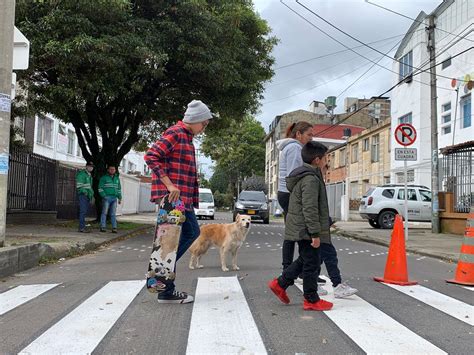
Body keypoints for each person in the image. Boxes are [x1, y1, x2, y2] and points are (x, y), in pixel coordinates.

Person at [144, 99, 212, 304]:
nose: (204, 127)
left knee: (182, 236)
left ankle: (162, 276)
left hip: (183, 200)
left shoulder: (187, 136)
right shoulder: (176, 133)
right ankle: (163, 283)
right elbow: (150, 156)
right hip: (174, 199)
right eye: (204, 123)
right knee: (176, 239)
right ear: (195, 119)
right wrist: (169, 185)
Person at [268, 141, 333, 311]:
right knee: (311, 263)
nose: (328, 161)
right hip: (305, 229)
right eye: (326, 157)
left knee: (307, 259)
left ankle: (281, 283)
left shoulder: (309, 175)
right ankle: (311, 299)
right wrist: (315, 233)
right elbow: (309, 207)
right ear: (317, 160)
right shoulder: (310, 179)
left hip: (301, 227)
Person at [276, 121, 314, 271]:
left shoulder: (292, 147)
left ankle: (291, 269)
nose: (311, 138)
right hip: (290, 194)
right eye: (309, 134)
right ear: (299, 134)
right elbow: (294, 175)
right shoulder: (294, 148)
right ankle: (296, 270)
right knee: (299, 234)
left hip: (286, 193)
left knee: (293, 233)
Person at [98, 165, 122, 233]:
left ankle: (114, 228)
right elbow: (100, 188)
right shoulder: (104, 178)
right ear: (108, 170)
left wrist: (120, 197)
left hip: (114, 198)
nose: (112, 170)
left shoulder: (117, 178)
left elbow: (119, 189)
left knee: (113, 214)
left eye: (113, 169)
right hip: (107, 198)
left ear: (115, 170)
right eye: (111, 169)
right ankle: (103, 227)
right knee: (104, 213)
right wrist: (104, 196)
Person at [76, 161, 94, 233]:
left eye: (92, 167)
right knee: (83, 211)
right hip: (83, 195)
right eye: (89, 166)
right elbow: (79, 186)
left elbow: (89, 187)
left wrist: (91, 195)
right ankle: (81, 228)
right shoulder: (82, 174)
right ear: (86, 166)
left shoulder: (89, 175)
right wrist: (86, 192)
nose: (91, 168)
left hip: (87, 195)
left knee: (84, 211)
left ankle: (83, 227)